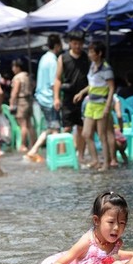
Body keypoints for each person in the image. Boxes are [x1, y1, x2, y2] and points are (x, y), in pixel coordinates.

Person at [73, 40, 116, 170]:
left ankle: (106, 163)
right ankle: (95, 160)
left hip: (102, 104)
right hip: (91, 103)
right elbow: (92, 84)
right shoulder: (92, 66)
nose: (90, 54)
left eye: (92, 52)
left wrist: (108, 107)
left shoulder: (106, 68)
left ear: (99, 53)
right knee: (86, 133)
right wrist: (81, 92)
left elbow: (111, 88)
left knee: (102, 135)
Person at [53, 30, 90, 165]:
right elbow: (57, 79)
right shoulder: (63, 58)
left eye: (80, 44)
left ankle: (80, 156)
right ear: (70, 43)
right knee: (66, 128)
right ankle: (63, 156)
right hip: (68, 97)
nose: (77, 46)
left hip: (84, 97)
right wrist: (56, 97)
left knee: (81, 128)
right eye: (75, 43)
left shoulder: (87, 57)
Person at [25, 34, 63, 163]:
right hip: (49, 98)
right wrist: (57, 98)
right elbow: (54, 82)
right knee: (55, 127)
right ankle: (58, 155)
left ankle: (33, 150)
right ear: (57, 46)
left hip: (41, 96)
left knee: (50, 127)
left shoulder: (44, 58)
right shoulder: (53, 60)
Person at [9, 58, 33, 151]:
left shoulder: (17, 77)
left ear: (18, 67)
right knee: (29, 124)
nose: (13, 69)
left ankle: (23, 145)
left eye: (14, 66)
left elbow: (15, 91)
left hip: (21, 101)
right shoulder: (27, 76)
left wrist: (11, 102)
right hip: (28, 100)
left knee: (23, 125)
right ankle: (33, 143)